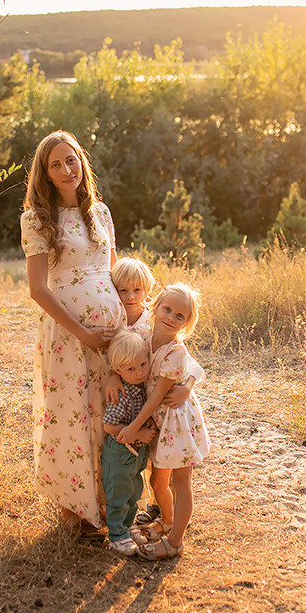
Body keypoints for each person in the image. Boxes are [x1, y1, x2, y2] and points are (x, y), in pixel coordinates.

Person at [20, 131, 126, 533]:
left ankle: (112, 504)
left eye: (72, 160)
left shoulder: (101, 213)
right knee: (72, 415)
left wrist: (132, 322)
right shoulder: (36, 220)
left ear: (82, 162)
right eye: (56, 164)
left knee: (108, 413)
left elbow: (113, 273)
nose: (67, 170)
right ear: (45, 174)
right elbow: (38, 289)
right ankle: (76, 510)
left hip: (111, 335)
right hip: (69, 336)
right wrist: (83, 332)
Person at [117, 282, 211, 560]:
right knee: (158, 481)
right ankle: (167, 521)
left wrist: (134, 427)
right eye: (167, 309)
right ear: (154, 306)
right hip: (159, 420)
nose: (171, 317)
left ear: (187, 323)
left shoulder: (176, 351)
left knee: (180, 483)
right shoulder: (144, 336)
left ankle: (175, 542)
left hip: (176, 421)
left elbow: (158, 395)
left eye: (180, 316)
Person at [101, 329, 157, 556]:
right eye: (131, 369)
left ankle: (127, 526)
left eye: (143, 364)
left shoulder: (142, 388)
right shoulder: (122, 393)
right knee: (119, 496)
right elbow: (109, 426)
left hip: (136, 455)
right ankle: (116, 536)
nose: (140, 372)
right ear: (118, 371)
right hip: (120, 454)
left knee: (134, 493)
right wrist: (139, 433)